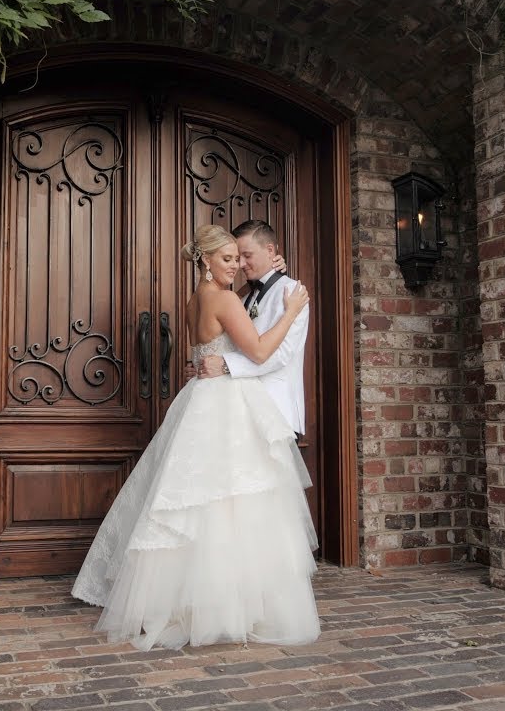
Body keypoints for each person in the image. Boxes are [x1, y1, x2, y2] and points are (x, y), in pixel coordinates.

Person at [71, 223, 321, 651]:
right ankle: (227, 603)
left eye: (241, 257)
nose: (238, 265)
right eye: (228, 258)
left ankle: (189, 600)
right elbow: (259, 351)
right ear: (206, 260)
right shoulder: (227, 298)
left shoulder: (200, 298)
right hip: (228, 405)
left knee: (199, 501)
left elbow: (218, 348)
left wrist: (224, 356)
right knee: (231, 502)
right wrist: (294, 310)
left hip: (203, 399)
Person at [196, 220, 307, 437]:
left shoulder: (292, 292)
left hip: (275, 409)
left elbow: (281, 353)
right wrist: (204, 364)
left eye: (247, 255)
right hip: (240, 409)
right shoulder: (242, 294)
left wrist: (225, 366)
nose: (240, 264)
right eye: (237, 257)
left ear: (270, 250)